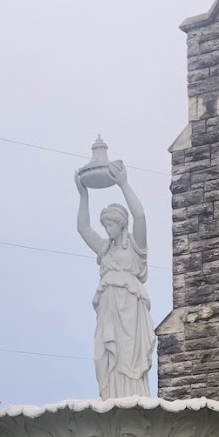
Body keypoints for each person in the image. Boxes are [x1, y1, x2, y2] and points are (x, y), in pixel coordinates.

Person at [75, 160, 154, 400]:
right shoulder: (104, 249)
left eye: (111, 224)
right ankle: (111, 398)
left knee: (129, 357)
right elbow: (83, 228)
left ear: (121, 224)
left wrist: (123, 184)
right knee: (106, 356)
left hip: (130, 310)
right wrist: (83, 194)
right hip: (108, 309)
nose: (107, 229)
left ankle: (135, 398)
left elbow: (140, 215)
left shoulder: (134, 247)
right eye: (106, 225)